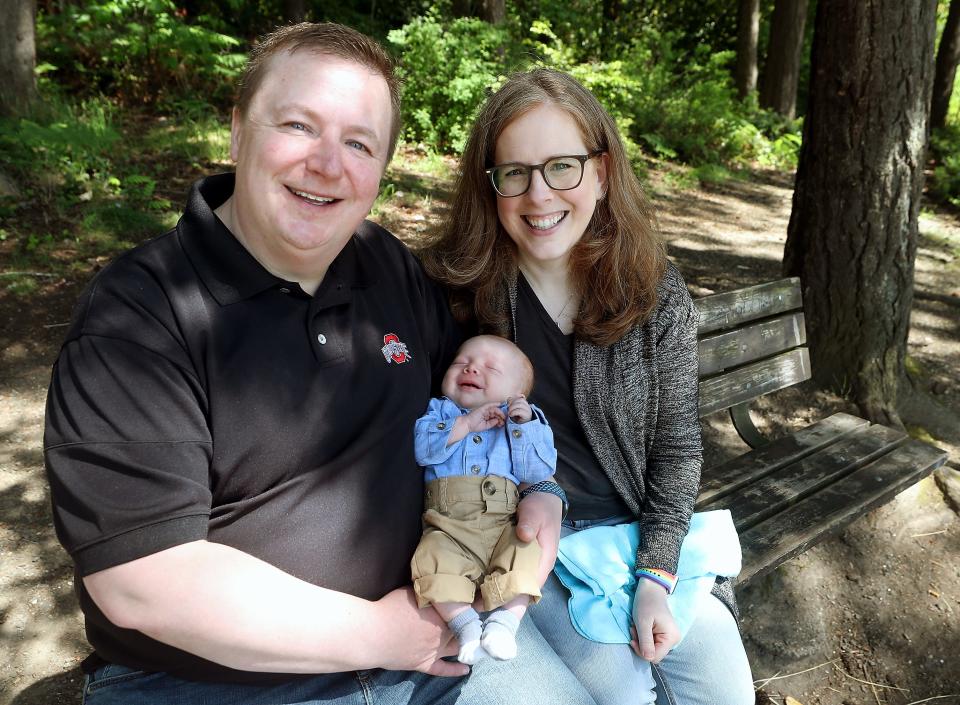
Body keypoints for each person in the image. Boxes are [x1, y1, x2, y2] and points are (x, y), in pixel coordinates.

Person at [42, 24, 599, 705]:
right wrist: (374, 633)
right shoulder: (141, 315)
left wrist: (539, 487)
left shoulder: (386, 267)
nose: (328, 165)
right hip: (213, 680)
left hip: (433, 627)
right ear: (239, 131)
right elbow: (140, 582)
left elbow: (474, 402)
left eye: (359, 143)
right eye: (300, 126)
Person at [421, 68, 756, 705]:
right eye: (514, 172)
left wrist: (656, 575)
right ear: (490, 187)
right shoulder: (459, 297)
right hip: (525, 547)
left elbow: (677, 450)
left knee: (726, 692)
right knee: (626, 693)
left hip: (636, 537)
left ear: (600, 172)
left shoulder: (654, 292)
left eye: (562, 167)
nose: (538, 194)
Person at [412, 335, 557, 664]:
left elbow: (537, 470)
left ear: (517, 393)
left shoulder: (525, 421)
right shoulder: (440, 412)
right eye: (461, 362)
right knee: (432, 557)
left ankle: (505, 624)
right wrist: (464, 424)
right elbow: (423, 451)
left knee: (526, 552)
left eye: (491, 367)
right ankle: (466, 628)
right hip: (447, 524)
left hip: (502, 519)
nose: (473, 368)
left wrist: (523, 425)